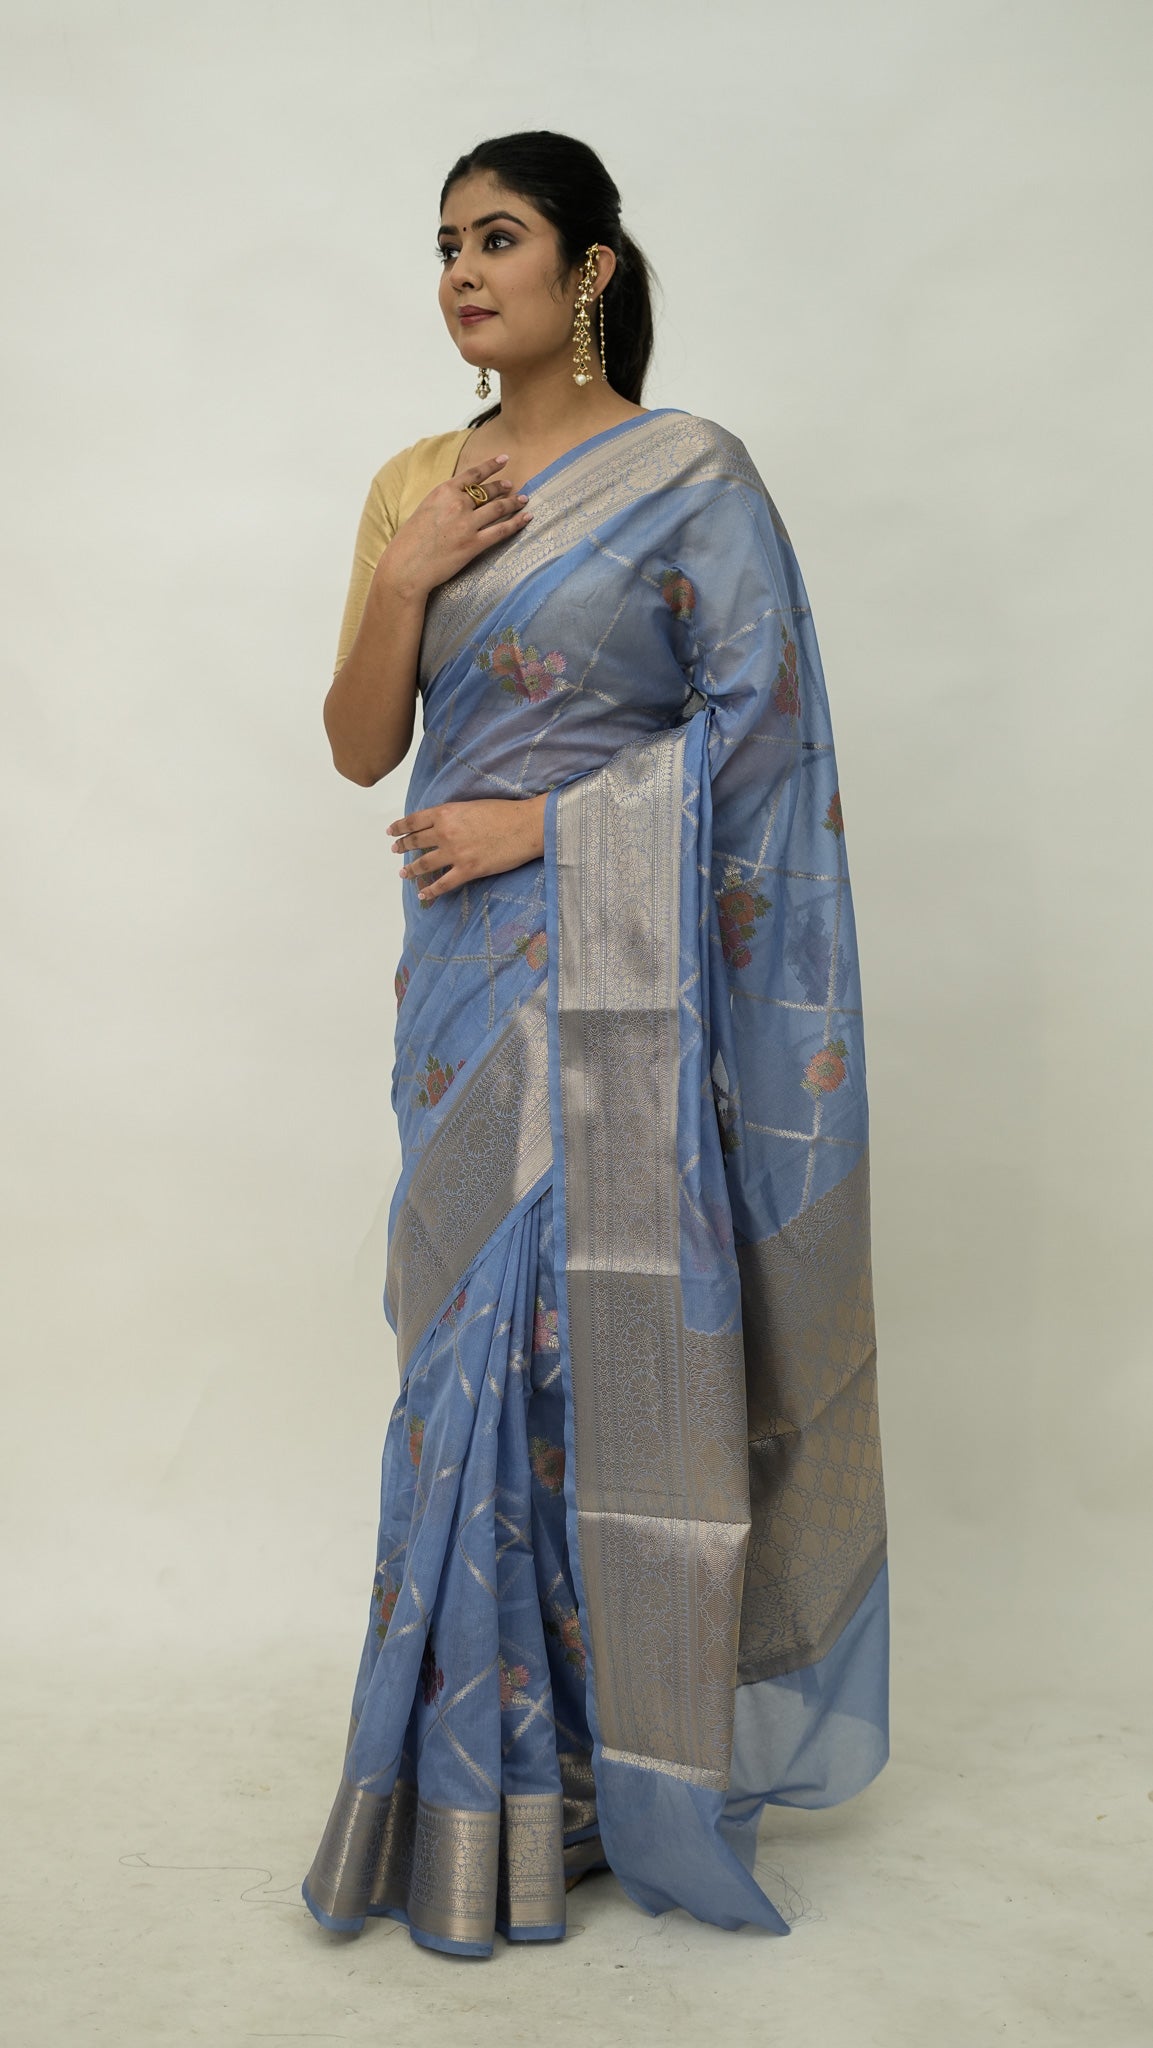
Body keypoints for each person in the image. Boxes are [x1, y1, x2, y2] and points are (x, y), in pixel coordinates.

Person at [301, 130, 889, 1960]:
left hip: (615, 978)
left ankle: (598, 1771)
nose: (464, 273)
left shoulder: (689, 474)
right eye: (445, 245)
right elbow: (357, 746)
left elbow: (762, 735)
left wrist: (541, 830)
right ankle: (469, 1777)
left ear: (588, 272)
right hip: (461, 986)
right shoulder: (416, 481)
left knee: (591, 1347)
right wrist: (406, 576)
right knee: (457, 1350)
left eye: (499, 239)